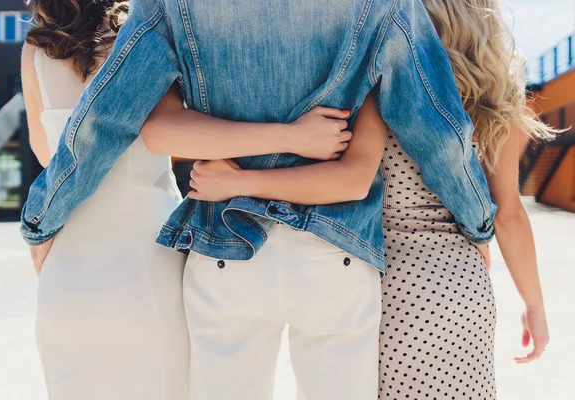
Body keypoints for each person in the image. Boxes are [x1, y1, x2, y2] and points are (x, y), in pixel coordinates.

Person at [20, 0, 498, 399]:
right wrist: (477, 221)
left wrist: (42, 220)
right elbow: (440, 131)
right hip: (335, 252)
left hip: (227, 249)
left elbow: (102, 124)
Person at [185, 0, 554, 399]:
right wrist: (534, 305)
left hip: (389, 284)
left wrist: (241, 181)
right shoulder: (498, 101)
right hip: (463, 286)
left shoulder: (385, 84)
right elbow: (509, 216)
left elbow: (350, 179)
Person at [21, 2, 192, 399]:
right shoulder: (147, 38)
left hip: (70, 264)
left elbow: (47, 156)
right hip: (153, 255)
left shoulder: (35, 53)